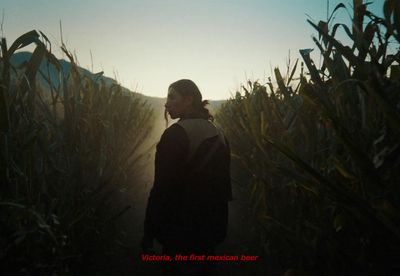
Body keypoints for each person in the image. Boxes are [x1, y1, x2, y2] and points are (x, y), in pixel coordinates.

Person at [141, 79, 232, 275]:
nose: (166, 103)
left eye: (172, 97)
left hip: (181, 230)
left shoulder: (176, 134)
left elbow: (161, 189)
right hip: (211, 228)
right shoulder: (220, 133)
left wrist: (149, 232)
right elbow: (225, 186)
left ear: (189, 99)